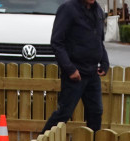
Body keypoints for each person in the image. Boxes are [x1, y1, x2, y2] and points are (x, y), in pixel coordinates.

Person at [41, 0, 110, 134]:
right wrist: (70, 69)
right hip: (75, 73)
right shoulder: (68, 9)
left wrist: (104, 62)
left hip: (92, 73)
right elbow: (57, 42)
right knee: (64, 113)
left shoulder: (98, 11)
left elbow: (99, 41)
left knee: (96, 112)